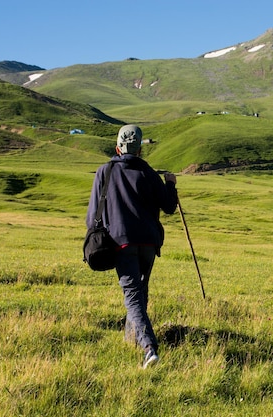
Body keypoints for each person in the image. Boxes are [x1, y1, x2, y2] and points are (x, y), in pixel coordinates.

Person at [86, 124, 178, 368]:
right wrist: (170, 184)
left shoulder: (104, 172)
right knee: (139, 292)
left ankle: (149, 348)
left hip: (121, 243)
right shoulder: (148, 172)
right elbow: (169, 206)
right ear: (139, 151)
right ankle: (132, 340)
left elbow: (92, 217)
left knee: (133, 296)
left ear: (117, 148)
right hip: (148, 243)